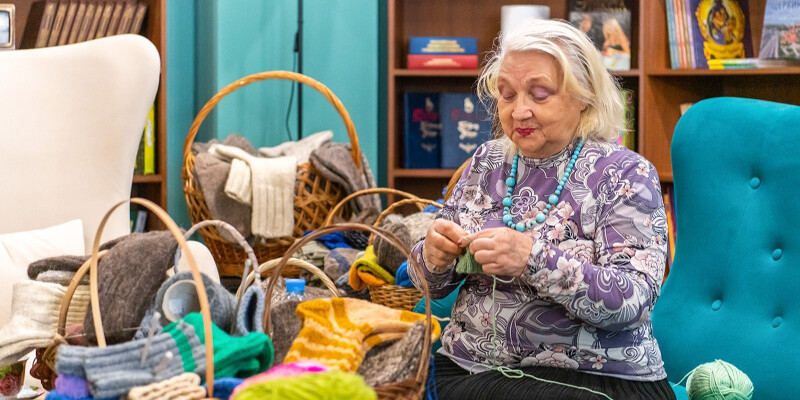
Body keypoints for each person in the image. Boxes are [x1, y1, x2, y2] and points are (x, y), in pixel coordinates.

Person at [409, 19, 675, 400]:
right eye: (507, 94)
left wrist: (530, 257)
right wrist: (432, 256)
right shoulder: (486, 162)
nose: (519, 112)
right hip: (469, 369)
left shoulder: (626, 173)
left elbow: (631, 300)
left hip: (590, 381)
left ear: (584, 95)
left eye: (539, 94)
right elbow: (428, 287)